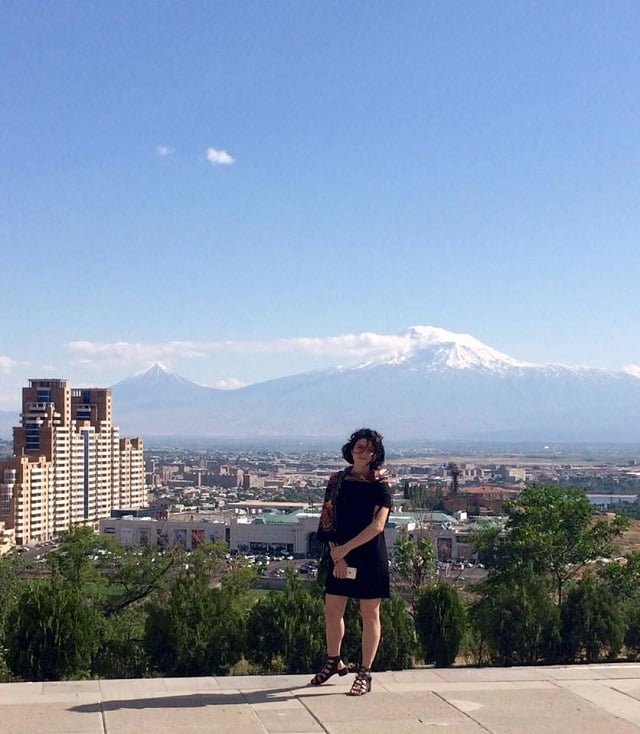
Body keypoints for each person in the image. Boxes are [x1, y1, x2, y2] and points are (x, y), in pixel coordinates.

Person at [310, 427, 392, 696]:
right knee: (333, 611)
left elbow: (378, 525)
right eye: (360, 447)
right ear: (351, 449)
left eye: (370, 449)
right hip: (339, 555)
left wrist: (345, 550)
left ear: (376, 454)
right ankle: (333, 660)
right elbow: (328, 518)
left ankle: (365, 673)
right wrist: (338, 554)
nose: (364, 452)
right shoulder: (336, 481)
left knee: (370, 614)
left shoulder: (380, 484)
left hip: (369, 556)